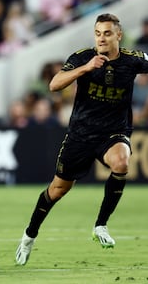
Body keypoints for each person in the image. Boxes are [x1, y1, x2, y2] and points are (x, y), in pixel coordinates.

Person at [15, 13, 148, 265]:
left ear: (118, 35)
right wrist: (86, 68)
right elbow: (54, 85)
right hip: (80, 135)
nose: (101, 38)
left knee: (121, 162)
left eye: (107, 33)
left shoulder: (133, 60)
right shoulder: (82, 57)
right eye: (98, 33)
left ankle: (100, 225)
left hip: (113, 132)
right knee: (57, 190)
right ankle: (29, 235)